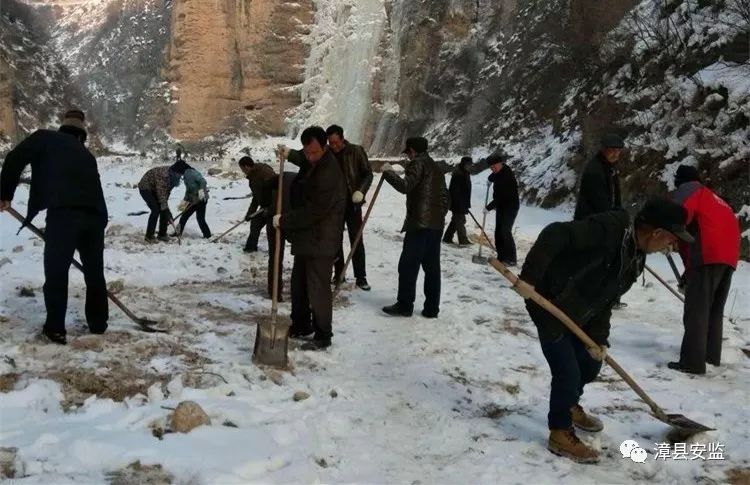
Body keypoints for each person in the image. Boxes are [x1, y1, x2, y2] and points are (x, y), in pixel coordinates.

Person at [514, 198, 693, 463]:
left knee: (589, 364)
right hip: (549, 302)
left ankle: (570, 403)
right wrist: (529, 278)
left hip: (580, 311)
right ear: (657, 233)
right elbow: (555, 233)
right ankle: (560, 432)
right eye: (671, 240)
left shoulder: (635, 257)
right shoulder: (610, 229)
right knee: (567, 371)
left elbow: (606, 300)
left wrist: (599, 340)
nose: (672, 246)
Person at [0, 109, 109, 345]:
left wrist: (4, 194)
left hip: (64, 215)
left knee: (57, 272)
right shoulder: (87, 155)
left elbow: (13, 159)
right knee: (94, 273)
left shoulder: (44, 138)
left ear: (62, 128)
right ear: (81, 135)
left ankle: (56, 329)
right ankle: (99, 324)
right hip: (96, 217)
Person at [275, 126, 347, 351]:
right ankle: (301, 325)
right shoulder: (314, 162)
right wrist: (290, 154)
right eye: (307, 152)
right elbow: (304, 161)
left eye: (315, 152)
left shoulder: (328, 172)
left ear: (325, 147)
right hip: (307, 238)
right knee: (299, 286)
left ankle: (323, 334)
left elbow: (315, 211)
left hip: (322, 239)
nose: (311, 157)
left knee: (318, 289)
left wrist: (283, 220)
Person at [669, 165, 741, 375]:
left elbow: (677, 216)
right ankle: (710, 355)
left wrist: (664, 231)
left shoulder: (689, 188)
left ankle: (692, 362)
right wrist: (688, 271)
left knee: (697, 309)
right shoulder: (714, 198)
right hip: (729, 256)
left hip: (708, 253)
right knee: (714, 309)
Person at [381, 137, 449, 319]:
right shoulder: (436, 167)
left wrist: (388, 172)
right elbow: (445, 199)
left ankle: (404, 305)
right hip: (435, 226)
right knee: (432, 268)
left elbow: (405, 186)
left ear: (412, 151)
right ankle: (431, 308)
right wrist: (437, 217)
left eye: (408, 153)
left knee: (408, 266)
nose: (409, 157)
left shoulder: (417, 164)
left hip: (419, 225)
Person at [326, 125, 374, 290]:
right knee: (335, 240)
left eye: (336, 142)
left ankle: (361, 277)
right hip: (334, 205)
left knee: (356, 239)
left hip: (353, 204)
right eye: (331, 143)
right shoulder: (327, 154)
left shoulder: (355, 151)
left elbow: (368, 173)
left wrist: (360, 191)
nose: (334, 146)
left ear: (342, 138)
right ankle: (339, 274)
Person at [574, 134, 624, 221]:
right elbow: (600, 204)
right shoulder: (595, 170)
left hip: (602, 221)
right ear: (603, 149)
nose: (615, 154)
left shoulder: (611, 167)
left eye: (618, 150)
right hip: (590, 223)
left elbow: (616, 196)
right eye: (612, 150)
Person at [484, 152, 519, 264]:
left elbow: (501, 197)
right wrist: (490, 179)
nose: (493, 169)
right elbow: (494, 175)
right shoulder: (500, 171)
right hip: (501, 206)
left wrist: (488, 208)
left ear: (501, 163)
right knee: (498, 231)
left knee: (505, 230)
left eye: (494, 166)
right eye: (491, 167)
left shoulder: (506, 176)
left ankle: (511, 259)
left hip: (510, 206)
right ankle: (502, 256)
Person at [138, 160, 186, 242]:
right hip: (146, 188)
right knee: (156, 210)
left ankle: (162, 234)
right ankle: (149, 236)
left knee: (164, 210)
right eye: (179, 174)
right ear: (175, 171)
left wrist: (166, 210)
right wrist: (165, 208)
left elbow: (165, 194)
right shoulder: (163, 176)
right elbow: (161, 195)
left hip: (155, 189)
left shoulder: (173, 178)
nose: (180, 176)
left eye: (181, 175)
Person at [238, 156, 276, 253]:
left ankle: (274, 253)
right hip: (264, 207)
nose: (243, 172)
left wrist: (271, 208)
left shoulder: (265, 172)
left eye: (242, 169)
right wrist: (250, 213)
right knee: (255, 223)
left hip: (274, 207)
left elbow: (276, 190)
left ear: (246, 167)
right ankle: (251, 248)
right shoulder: (252, 178)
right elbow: (256, 198)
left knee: (271, 231)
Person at [176, 163, 211, 239]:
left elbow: (203, 182)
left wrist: (201, 195)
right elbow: (188, 191)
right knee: (184, 216)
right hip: (193, 200)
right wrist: (182, 205)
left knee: (200, 218)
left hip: (200, 200)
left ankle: (207, 235)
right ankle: (178, 233)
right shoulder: (185, 175)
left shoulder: (191, 173)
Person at [443, 156, 472, 246]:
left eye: (470, 165)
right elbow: (455, 192)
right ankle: (463, 240)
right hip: (457, 203)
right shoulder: (458, 174)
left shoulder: (465, 173)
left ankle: (447, 238)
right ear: (463, 164)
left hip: (461, 202)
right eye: (468, 164)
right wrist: (461, 205)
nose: (469, 166)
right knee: (460, 220)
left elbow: (466, 190)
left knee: (456, 220)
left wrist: (466, 204)